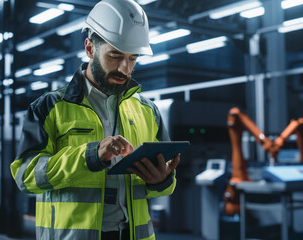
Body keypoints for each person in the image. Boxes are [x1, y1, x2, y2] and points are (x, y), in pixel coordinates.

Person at [10, 0, 180, 239]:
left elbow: (165, 184)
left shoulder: (148, 111)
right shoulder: (50, 107)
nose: (125, 68)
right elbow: (25, 177)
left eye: (133, 58)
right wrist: (89, 156)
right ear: (90, 48)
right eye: (115, 55)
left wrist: (162, 180)